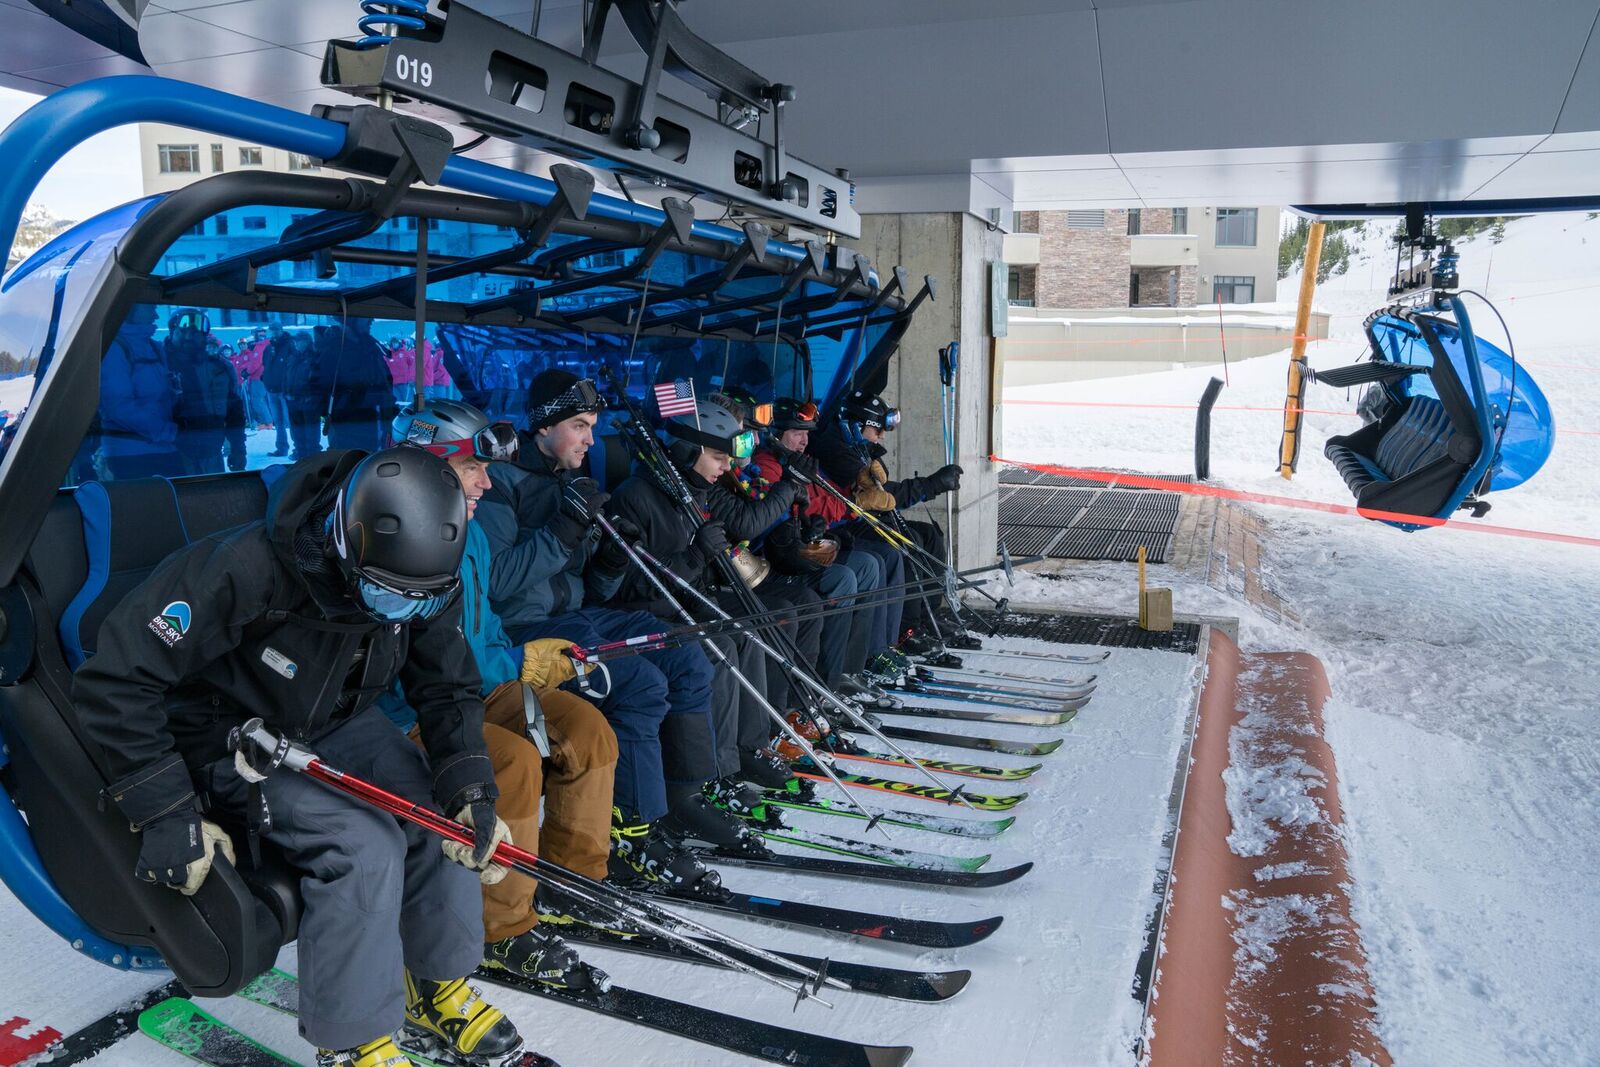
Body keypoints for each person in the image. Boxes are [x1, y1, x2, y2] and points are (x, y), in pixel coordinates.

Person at [72, 447, 530, 1067]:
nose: (399, 609)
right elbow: (117, 678)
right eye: (386, 593)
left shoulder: (422, 578)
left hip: (336, 717)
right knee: (362, 846)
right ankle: (350, 1039)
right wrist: (166, 811)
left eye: (416, 601)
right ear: (347, 544)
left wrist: (470, 788)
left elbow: (446, 684)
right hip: (230, 733)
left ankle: (434, 982)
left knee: (440, 819)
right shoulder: (241, 570)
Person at [387, 401, 616, 992]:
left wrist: (529, 662)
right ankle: (502, 927)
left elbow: (482, 630)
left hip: (481, 686)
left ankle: (568, 878)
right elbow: (428, 665)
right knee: (510, 763)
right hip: (414, 710)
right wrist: (519, 664)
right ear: (428, 469)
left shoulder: (470, 536)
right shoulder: (395, 540)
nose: (486, 483)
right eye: (472, 470)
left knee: (588, 731)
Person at [474, 369, 725, 893]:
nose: (591, 439)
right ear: (542, 428)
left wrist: (610, 557)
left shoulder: (572, 477)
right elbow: (495, 583)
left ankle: (685, 795)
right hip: (527, 628)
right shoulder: (497, 483)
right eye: (580, 426)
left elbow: (596, 589)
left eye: (592, 426)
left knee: (684, 651)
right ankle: (634, 826)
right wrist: (563, 530)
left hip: (582, 613)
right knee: (639, 683)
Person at [608, 398, 800, 803]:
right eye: (718, 457)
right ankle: (718, 767)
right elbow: (628, 588)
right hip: (645, 612)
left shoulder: (698, 492)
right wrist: (696, 557)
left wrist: (711, 562)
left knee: (754, 626)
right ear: (686, 451)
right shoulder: (635, 497)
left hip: (685, 598)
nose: (727, 468)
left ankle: (749, 744)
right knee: (722, 646)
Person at [753, 398, 896, 672]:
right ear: (776, 433)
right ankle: (828, 672)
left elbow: (828, 495)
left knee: (869, 565)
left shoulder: (803, 462)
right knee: (845, 577)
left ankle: (852, 666)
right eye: (797, 433)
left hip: (805, 545)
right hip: (778, 558)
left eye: (807, 433)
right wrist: (853, 504)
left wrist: (855, 495)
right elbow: (803, 507)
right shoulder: (769, 466)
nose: (804, 441)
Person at [812, 389, 963, 646]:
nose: (882, 436)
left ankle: (929, 615)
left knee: (930, 534)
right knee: (908, 541)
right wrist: (932, 485)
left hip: (860, 518)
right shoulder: (836, 450)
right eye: (878, 429)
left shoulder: (856, 445)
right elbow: (881, 496)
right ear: (859, 425)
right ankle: (907, 628)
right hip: (845, 523)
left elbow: (881, 495)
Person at [94, 303, 181, 479]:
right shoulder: (114, 349)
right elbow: (118, 407)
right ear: (130, 309)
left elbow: (165, 398)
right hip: (130, 454)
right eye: (150, 308)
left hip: (164, 447)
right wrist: (167, 431)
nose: (155, 316)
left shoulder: (154, 348)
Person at [166, 308, 247, 475]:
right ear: (172, 331)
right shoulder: (158, 365)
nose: (190, 337)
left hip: (211, 451)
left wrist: (238, 448)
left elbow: (234, 411)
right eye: (184, 332)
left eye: (196, 334)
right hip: (171, 455)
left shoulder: (219, 368)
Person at [314, 317, 394, 452]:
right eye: (365, 319)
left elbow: (385, 382)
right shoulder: (334, 349)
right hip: (345, 420)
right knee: (346, 461)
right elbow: (318, 385)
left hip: (372, 417)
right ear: (351, 322)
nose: (371, 321)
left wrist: (389, 408)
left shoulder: (370, 347)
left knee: (368, 459)